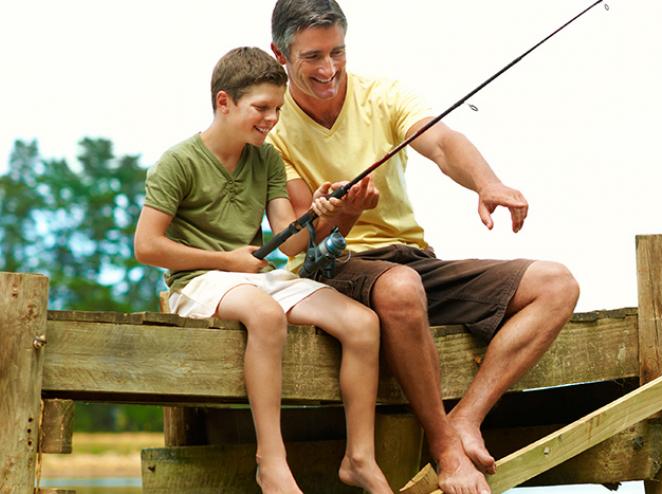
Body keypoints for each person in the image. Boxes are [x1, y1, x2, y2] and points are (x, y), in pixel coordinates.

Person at [265, 1, 581, 493]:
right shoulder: (271, 123)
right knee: (401, 287)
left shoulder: (382, 94)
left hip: (409, 259)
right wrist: (343, 215)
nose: (328, 69)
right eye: (312, 57)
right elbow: (302, 239)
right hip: (334, 267)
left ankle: (466, 420)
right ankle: (446, 450)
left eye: (337, 52)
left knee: (556, 283)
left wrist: (486, 183)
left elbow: (440, 141)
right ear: (280, 55)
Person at [133, 46, 394, 494]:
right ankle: (271, 463)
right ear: (224, 101)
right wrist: (227, 260)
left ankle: (359, 458)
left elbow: (289, 241)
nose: (271, 118)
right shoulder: (177, 162)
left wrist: (319, 211)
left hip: (253, 278)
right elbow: (147, 246)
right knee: (266, 314)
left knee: (362, 323)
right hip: (196, 281)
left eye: (277, 108)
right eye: (261, 108)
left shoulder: (267, 159)